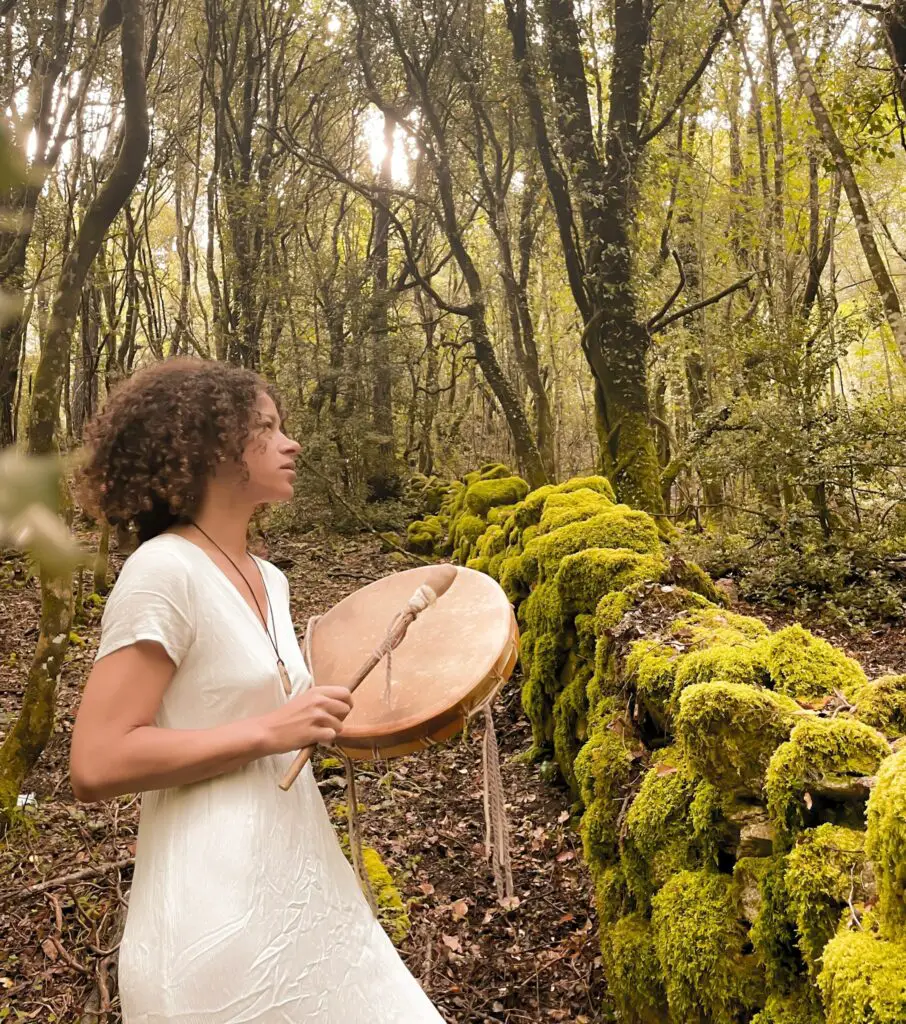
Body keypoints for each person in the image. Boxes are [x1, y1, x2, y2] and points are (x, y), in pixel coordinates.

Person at [70, 358, 446, 1023]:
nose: (291, 443)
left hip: (309, 896)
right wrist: (267, 732)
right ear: (210, 450)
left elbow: (270, 721)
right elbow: (96, 761)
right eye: (266, 429)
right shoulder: (163, 572)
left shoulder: (270, 579)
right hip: (213, 918)